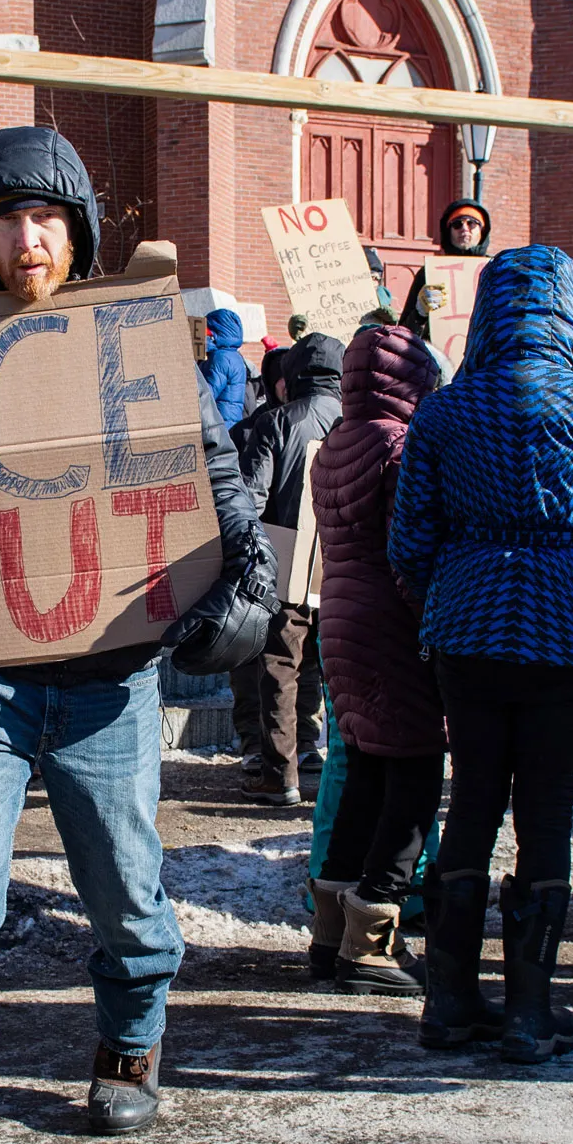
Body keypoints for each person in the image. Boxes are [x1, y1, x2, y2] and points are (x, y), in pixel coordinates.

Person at [0, 126, 274, 1144]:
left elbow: (223, 493)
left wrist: (239, 600)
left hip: (110, 678)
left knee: (129, 902)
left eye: (45, 215)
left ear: (78, 228)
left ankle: (131, 1033)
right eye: (4, 218)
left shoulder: (137, 351)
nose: (27, 237)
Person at [389, 246, 573, 1062]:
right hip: (569, 634)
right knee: (547, 810)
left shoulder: (442, 413)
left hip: (466, 632)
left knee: (473, 801)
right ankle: (529, 1010)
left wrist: (447, 597)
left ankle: (447, 1001)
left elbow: (408, 543)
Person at [308, 325, 442, 995]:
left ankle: (330, 930)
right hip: (391, 625)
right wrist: (438, 624)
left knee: (363, 769)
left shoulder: (334, 443)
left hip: (340, 620)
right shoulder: (399, 446)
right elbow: (408, 557)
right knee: (415, 776)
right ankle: (374, 936)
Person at [234, 331, 343, 804]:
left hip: (287, 562)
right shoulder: (357, 419)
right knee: (328, 663)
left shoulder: (276, 422)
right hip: (345, 565)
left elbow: (252, 498)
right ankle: (315, 751)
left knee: (280, 663)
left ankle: (280, 773)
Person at [399, 198, 491, 333]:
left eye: (472, 223)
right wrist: (420, 313)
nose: (464, 229)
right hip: (438, 352)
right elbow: (403, 333)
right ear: (449, 232)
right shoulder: (429, 273)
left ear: (482, 230)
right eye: (457, 224)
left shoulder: (497, 269)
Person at [202, 307, 250, 430]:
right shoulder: (234, 356)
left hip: (218, 427)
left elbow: (207, 394)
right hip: (229, 424)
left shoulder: (221, 358)